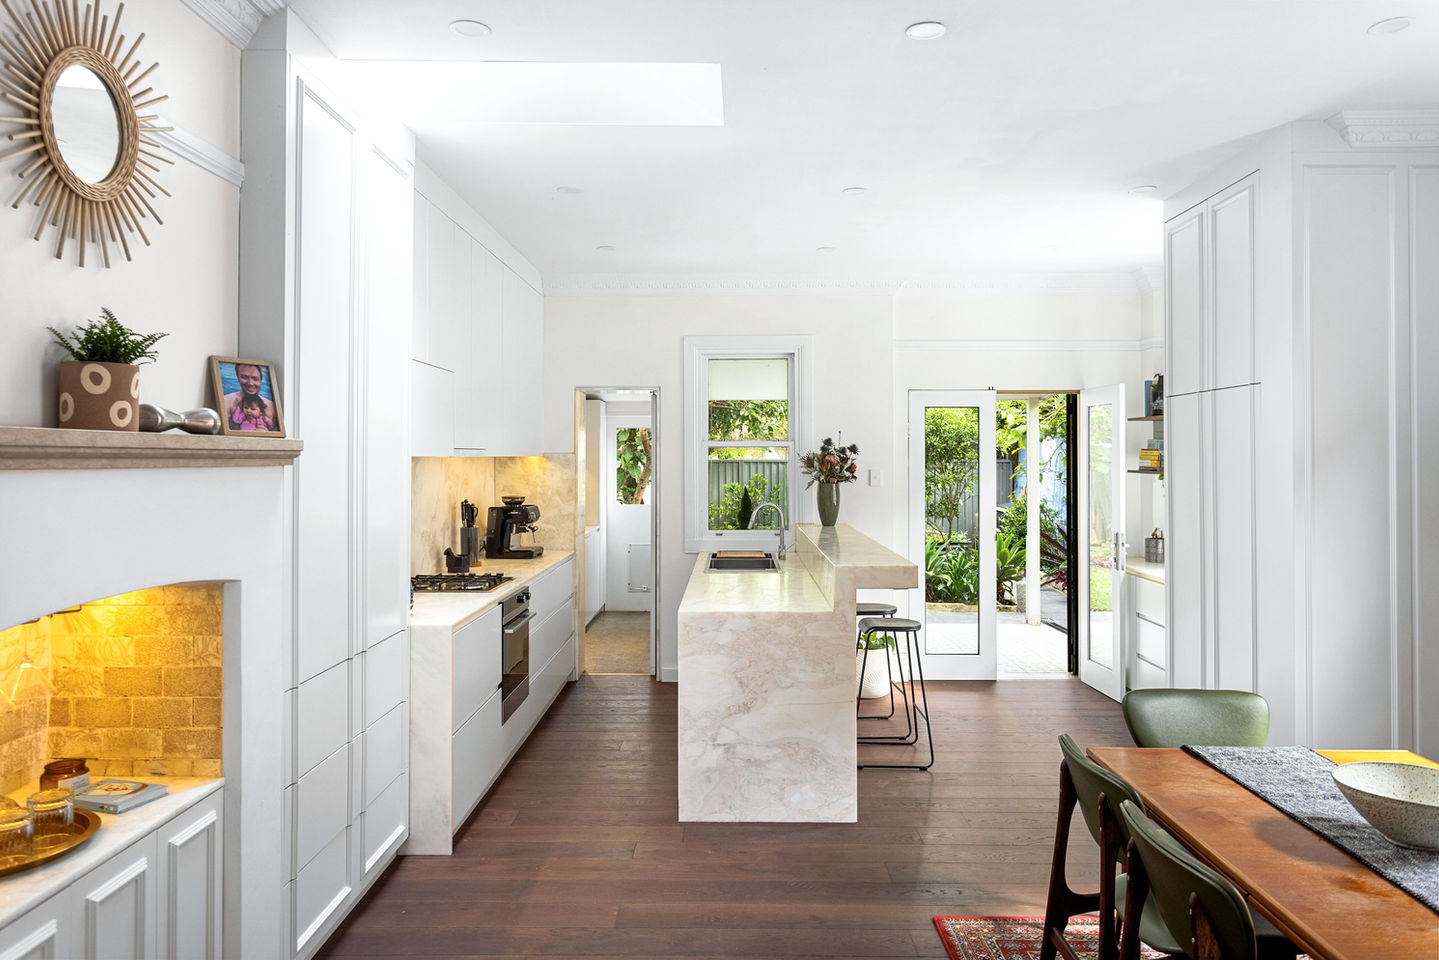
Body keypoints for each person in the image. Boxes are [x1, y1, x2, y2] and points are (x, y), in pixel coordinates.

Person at [222, 362, 277, 427]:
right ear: (238, 378)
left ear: (261, 380)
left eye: (255, 379)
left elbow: (275, 430)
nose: (250, 383)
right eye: (244, 377)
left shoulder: (271, 405)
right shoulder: (225, 402)